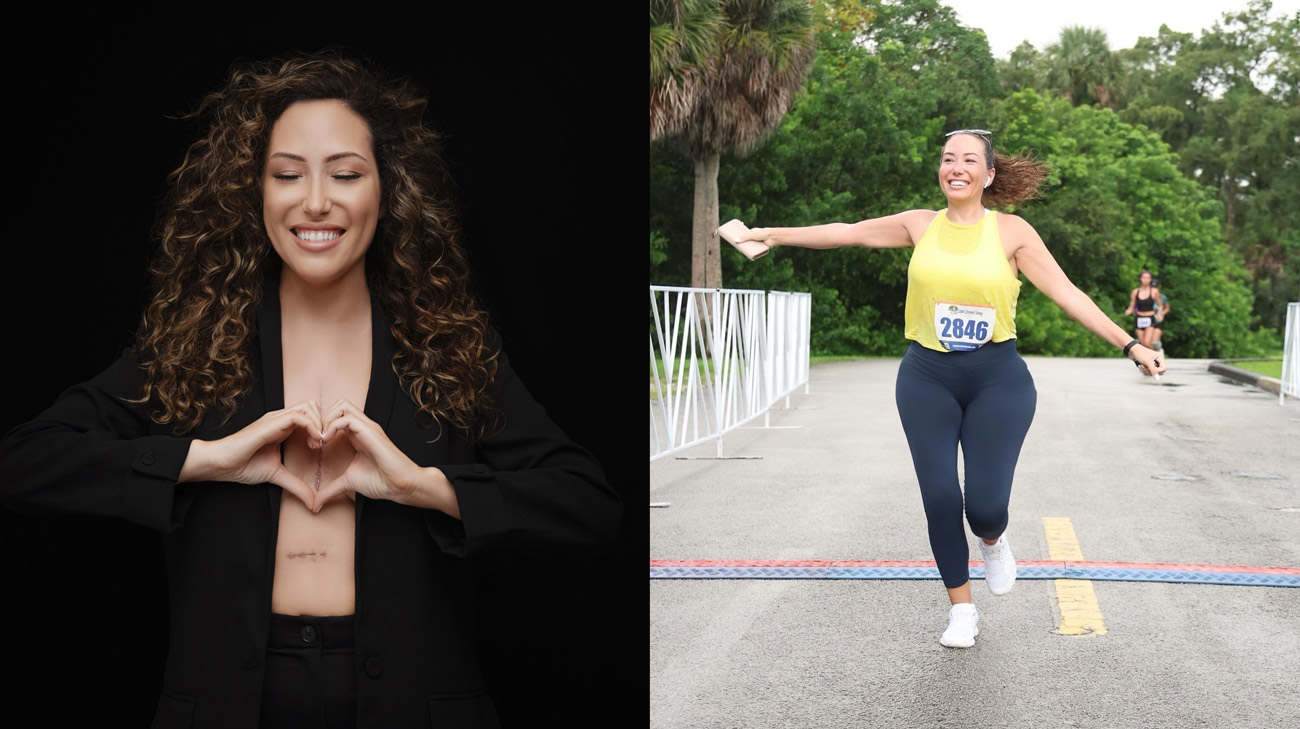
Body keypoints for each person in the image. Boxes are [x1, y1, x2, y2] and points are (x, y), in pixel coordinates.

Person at [0, 50, 622, 727]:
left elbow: (588, 503)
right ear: (255, 190)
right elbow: (24, 460)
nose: (317, 200)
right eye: (288, 174)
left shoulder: (447, 348)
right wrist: (200, 462)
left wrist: (424, 487)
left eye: (346, 174)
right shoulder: (193, 344)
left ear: (387, 190)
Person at [725, 129, 1164, 648]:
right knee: (938, 497)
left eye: (969, 160)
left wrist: (1128, 345)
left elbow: (1068, 293)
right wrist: (768, 234)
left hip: (997, 379)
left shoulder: (1012, 233)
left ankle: (994, 542)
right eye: (948, 158)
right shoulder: (919, 225)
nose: (956, 167)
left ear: (989, 174)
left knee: (983, 507)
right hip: (926, 377)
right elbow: (847, 231)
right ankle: (962, 610)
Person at [1124, 270, 1161, 351]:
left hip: (1150, 318)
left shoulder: (1154, 292)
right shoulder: (1135, 292)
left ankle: (1153, 358)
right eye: (1144, 277)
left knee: (1147, 342)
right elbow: (1132, 305)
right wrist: (1128, 311)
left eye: (1148, 278)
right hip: (1139, 318)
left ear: (1150, 279)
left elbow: (1160, 305)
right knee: (1142, 344)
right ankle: (1146, 361)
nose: (1146, 280)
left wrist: (1159, 314)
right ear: (1140, 278)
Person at [1151, 278, 1170, 352]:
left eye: (1155, 287)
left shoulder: (1162, 297)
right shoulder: (1146, 296)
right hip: (1147, 318)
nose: (1154, 289)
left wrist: (1162, 313)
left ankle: (1158, 351)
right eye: (1152, 287)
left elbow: (1167, 308)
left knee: (1155, 341)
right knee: (1147, 341)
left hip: (1157, 318)